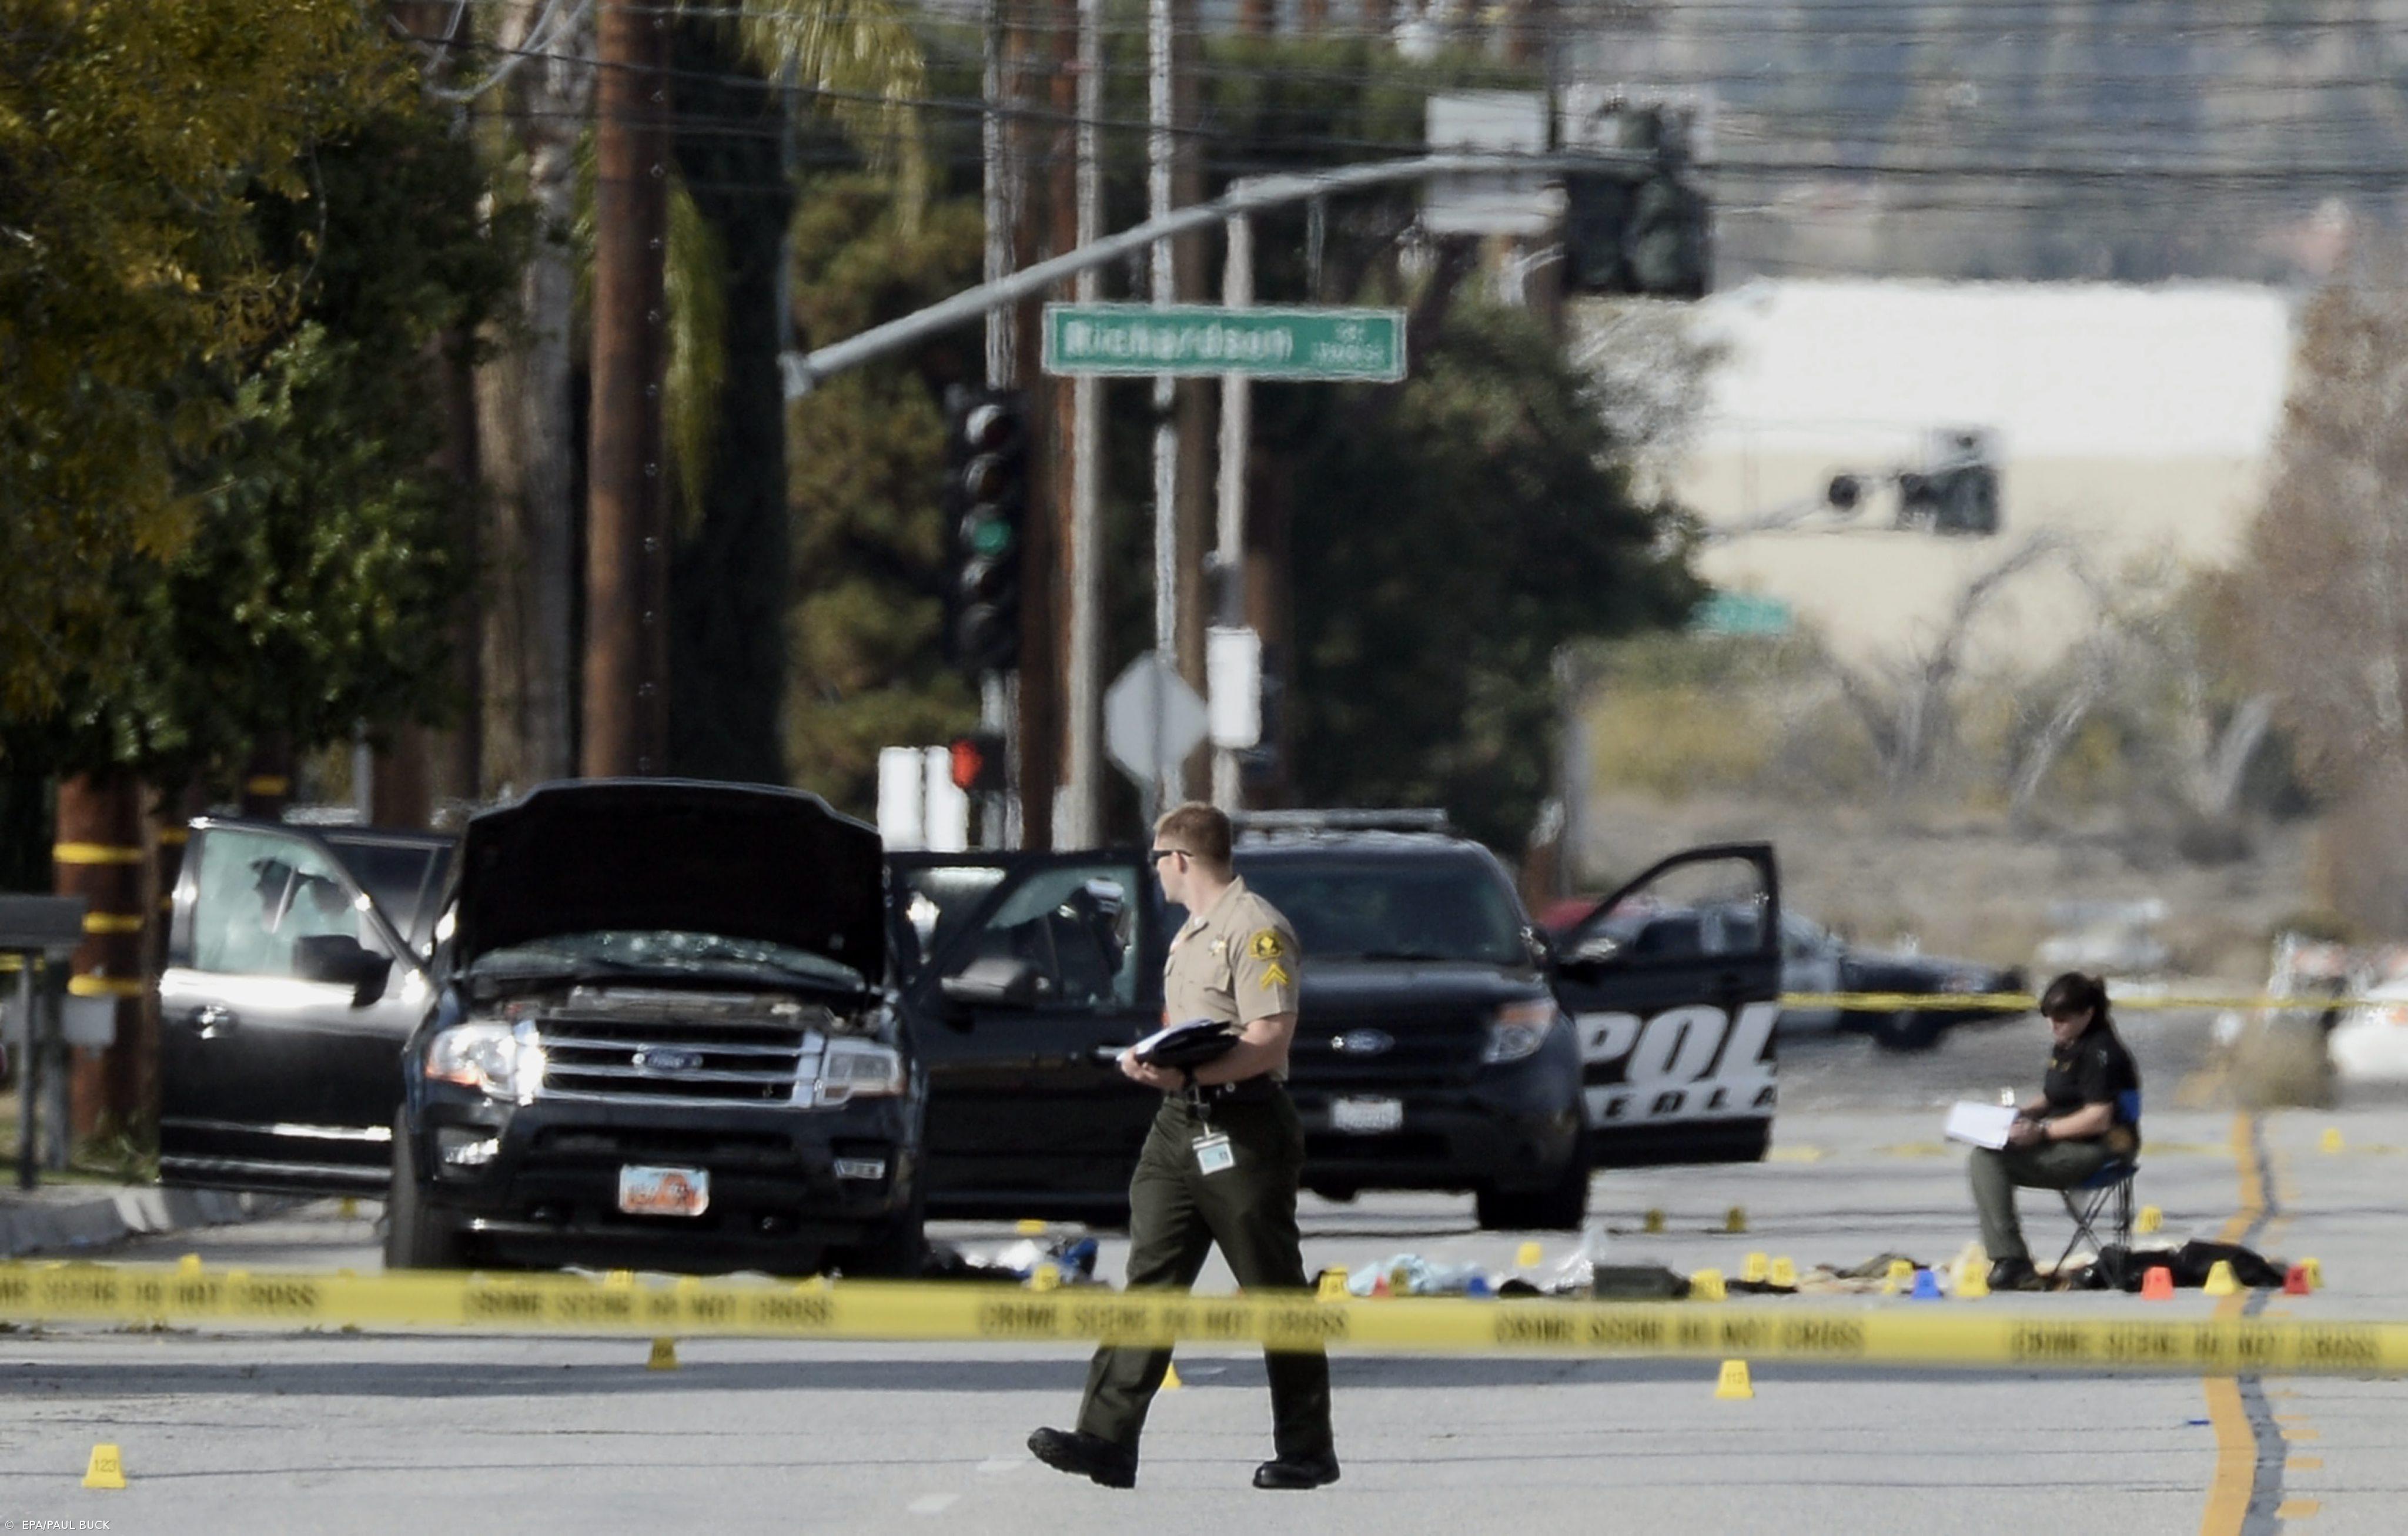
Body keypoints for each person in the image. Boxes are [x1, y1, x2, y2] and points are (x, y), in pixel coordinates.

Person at [1029, 802, 1338, 1492]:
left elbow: (1268, 1041)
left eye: (1158, 862)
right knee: (1150, 1279)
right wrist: (1158, 1065)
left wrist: (1187, 1070)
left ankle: (1307, 1448)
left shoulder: (1254, 929)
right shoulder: (1190, 933)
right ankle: (1106, 1440)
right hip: (1179, 1123)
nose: (1157, 874)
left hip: (1243, 1126)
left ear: (1180, 860)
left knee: (1272, 1290)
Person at [1971, 971, 2141, 1291]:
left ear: (2087, 1014)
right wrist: (2022, 1113)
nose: (2054, 1026)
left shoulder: (2101, 1053)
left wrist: (2042, 1133)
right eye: (2050, 1019)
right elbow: (2055, 1097)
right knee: (1986, 1151)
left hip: (2103, 1148)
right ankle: (2010, 1258)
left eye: (2062, 1019)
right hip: (2069, 1138)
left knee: (1988, 1161)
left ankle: (2013, 1261)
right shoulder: (2068, 1044)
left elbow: (2098, 1118)